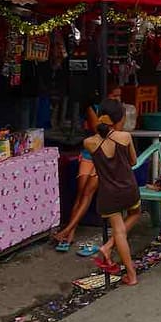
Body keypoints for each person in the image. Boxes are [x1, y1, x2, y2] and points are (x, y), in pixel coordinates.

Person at [53, 84, 122, 253]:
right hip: (89, 153)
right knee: (81, 190)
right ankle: (71, 231)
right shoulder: (94, 109)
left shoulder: (120, 111)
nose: (117, 99)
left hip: (105, 155)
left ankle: (67, 230)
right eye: (114, 96)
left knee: (88, 191)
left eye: (119, 96)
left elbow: (113, 134)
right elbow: (97, 130)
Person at [85, 99, 140, 286]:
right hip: (128, 189)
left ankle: (129, 272)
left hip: (107, 194)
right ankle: (108, 248)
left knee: (118, 231)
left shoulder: (89, 143)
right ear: (120, 119)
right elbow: (133, 162)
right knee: (135, 214)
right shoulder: (125, 137)